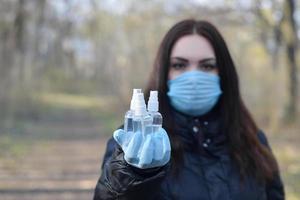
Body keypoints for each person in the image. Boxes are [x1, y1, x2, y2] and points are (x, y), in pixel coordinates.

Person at [93, 19, 285, 200]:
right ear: (164, 73)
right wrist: (134, 175)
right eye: (179, 65)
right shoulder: (135, 141)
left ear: (223, 73)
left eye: (207, 66)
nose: (193, 77)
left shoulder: (253, 141)